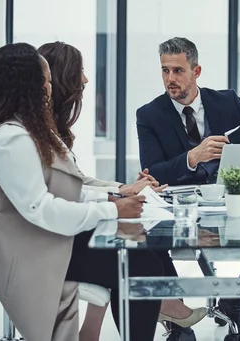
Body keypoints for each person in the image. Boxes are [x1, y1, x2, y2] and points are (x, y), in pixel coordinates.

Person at [0, 42, 165, 341]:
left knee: (138, 254)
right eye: (46, 81)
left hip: (35, 240)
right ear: (27, 86)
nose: (50, 89)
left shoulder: (15, 131)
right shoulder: (10, 139)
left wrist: (112, 198)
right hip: (28, 251)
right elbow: (42, 208)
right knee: (140, 263)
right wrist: (113, 209)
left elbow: (64, 189)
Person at [37, 41, 207, 341]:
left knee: (136, 245)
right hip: (49, 242)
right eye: (81, 73)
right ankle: (168, 304)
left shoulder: (46, 129)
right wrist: (115, 201)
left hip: (58, 232)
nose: (86, 80)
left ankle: (149, 310)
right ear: (59, 79)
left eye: (178, 70)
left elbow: (75, 181)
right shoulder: (34, 134)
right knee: (136, 256)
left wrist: (122, 190)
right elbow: (62, 192)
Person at [136, 37, 240, 341]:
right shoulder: (149, 115)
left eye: (178, 70)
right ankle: (177, 317)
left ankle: (234, 300)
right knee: (151, 244)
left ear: (196, 71)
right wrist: (192, 157)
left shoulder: (228, 102)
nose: (171, 79)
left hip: (232, 203)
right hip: (180, 208)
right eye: (165, 71)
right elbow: (153, 173)